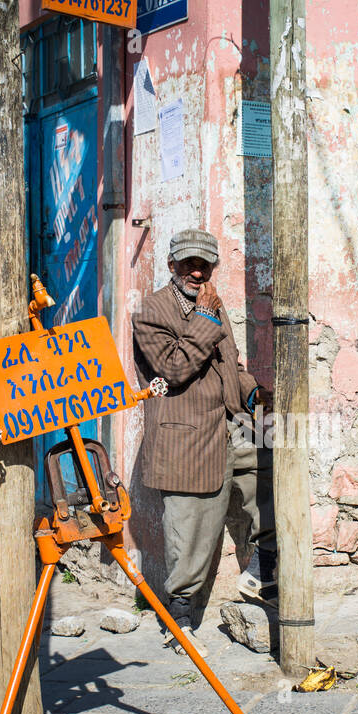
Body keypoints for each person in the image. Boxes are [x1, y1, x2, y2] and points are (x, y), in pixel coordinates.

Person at [133, 228, 276, 654]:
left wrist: (250, 390)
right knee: (190, 529)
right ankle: (180, 621)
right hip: (186, 439)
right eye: (189, 264)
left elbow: (227, 362)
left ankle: (264, 570)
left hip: (234, 425)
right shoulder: (152, 311)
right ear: (172, 265)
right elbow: (174, 369)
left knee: (270, 488)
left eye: (205, 264)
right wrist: (206, 320)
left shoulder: (212, 304)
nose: (197, 272)